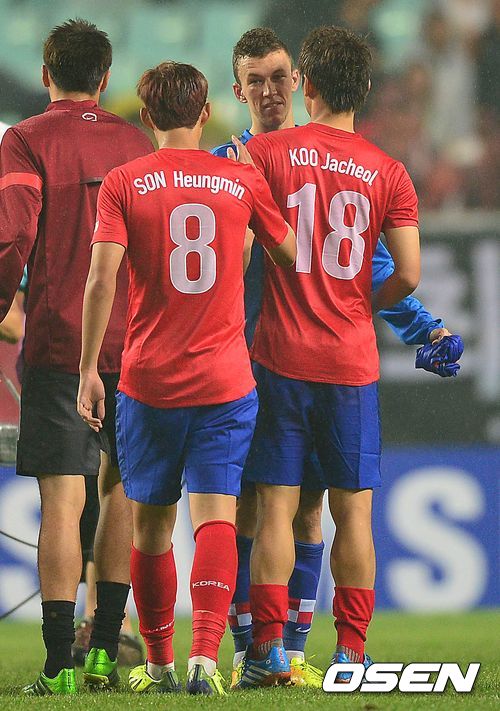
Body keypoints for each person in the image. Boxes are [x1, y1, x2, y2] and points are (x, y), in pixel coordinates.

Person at [212, 27, 463, 688]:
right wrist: (361, 305)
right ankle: (348, 652)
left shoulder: (258, 157)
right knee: (345, 510)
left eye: (280, 78)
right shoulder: (388, 171)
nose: (270, 91)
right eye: (256, 81)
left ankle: (273, 648)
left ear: (305, 84)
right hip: (344, 362)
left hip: (273, 358)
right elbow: (400, 271)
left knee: (279, 507)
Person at [76, 61, 295, 696]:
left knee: (149, 524)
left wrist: (89, 369)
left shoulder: (125, 181)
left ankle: (160, 662)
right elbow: (286, 252)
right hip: (225, 380)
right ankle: (205, 658)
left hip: (149, 382)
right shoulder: (240, 177)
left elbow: (101, 279)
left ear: (146, 116)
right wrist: (244, 237)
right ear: (206, 113)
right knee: (216, 516)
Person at [0, 19, 153, 695]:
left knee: (62, 501)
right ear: (105, 77)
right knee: (120, 493)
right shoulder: (135, 142)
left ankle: (60, 664)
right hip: (135, 344)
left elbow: (12, 235)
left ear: (45, 74)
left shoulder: (26, 139)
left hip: (61, 343)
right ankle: (103, 656)